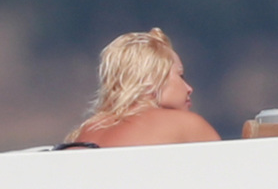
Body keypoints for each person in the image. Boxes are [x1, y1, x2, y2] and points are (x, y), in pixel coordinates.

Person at [64, 28, 221, 147]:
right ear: (151, 80)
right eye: (180, 76)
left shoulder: (84, 132)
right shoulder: (186, 125)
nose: (189, 88)